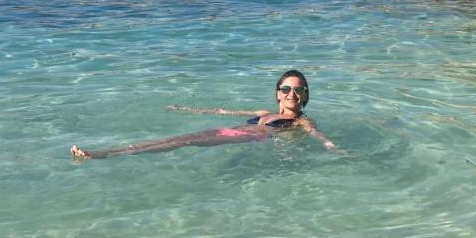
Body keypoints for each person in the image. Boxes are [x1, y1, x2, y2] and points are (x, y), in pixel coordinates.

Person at [70, 70, 338, 160]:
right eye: (286, 88)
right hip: (228, 131)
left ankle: (103, 154)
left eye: (298, 89)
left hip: (245, 138)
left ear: (304, 95)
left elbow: (319, 136)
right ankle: (109, 152)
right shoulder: (263, 112)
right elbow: (222, 111)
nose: (292, 93)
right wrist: (185, 108)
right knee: (179, 138)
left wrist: (335, 149)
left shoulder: (301, 120)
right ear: (278, 93)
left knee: (182, 142)